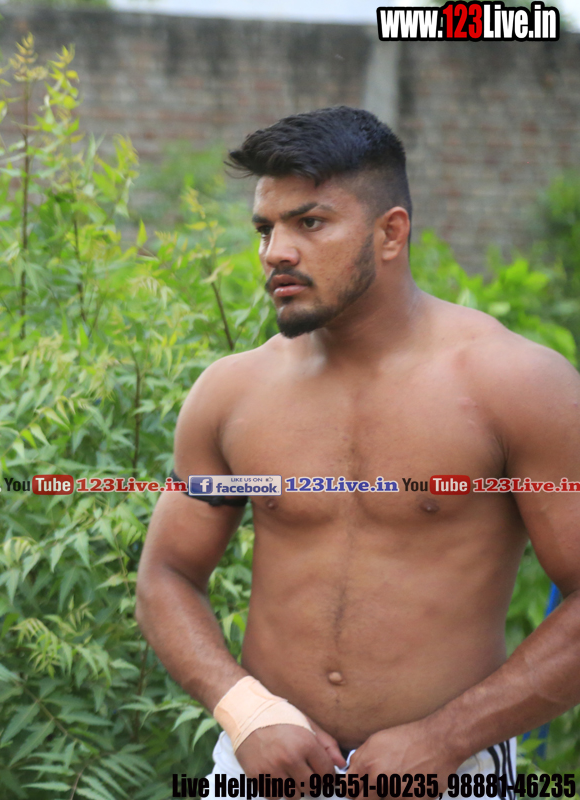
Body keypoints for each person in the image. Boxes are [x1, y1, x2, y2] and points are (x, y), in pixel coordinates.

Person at [135, 106, 580, 788]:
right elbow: (165, 576)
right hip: (267, 768)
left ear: (390, 233)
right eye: (265, 228)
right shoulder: (232, 393)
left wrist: (444, 740)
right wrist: (246, 712)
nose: (275, 252)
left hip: (447, 773)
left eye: (309, 223)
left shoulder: (516, 386)